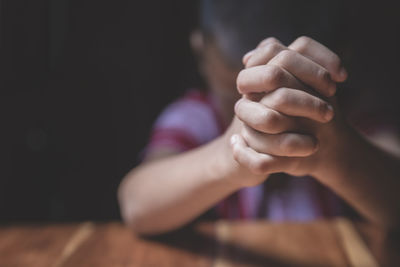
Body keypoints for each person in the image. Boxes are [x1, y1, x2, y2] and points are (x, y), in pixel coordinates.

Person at [118, 0, 400, 235]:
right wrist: (228, 159)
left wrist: (336, 154)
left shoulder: (352, 113)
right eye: (236, 96)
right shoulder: (196, 116)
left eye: (300, 92)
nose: (269, 118)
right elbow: (137, 205)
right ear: (201, 52)